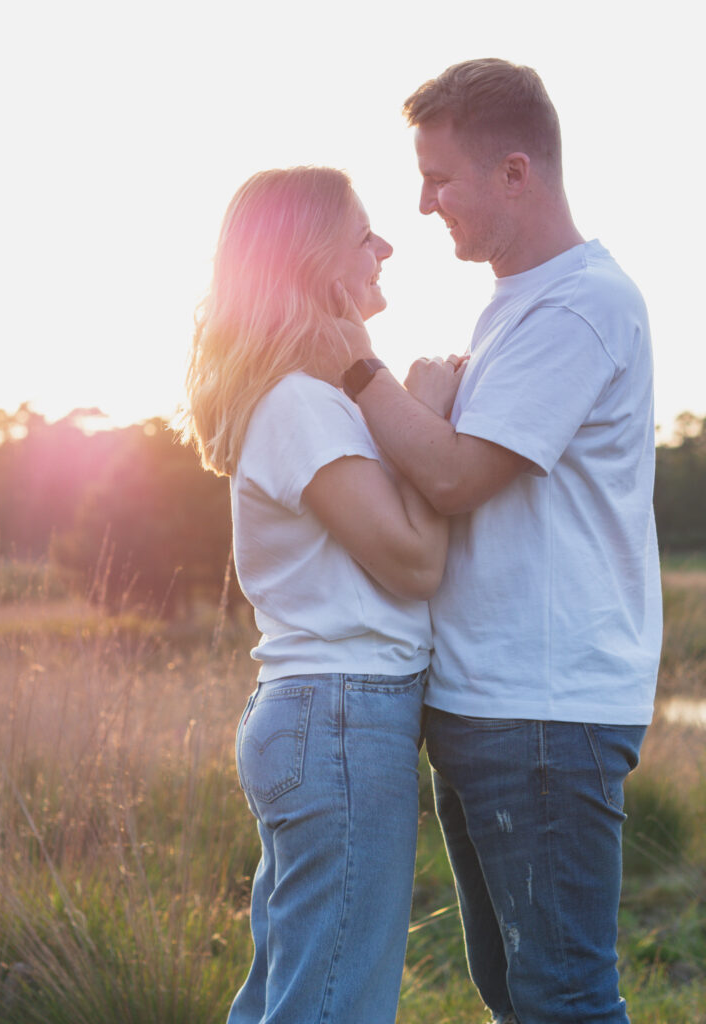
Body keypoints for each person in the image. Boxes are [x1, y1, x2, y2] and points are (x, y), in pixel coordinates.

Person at [335, 59, 662, 1024]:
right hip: (493, 705)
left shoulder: (582, 303)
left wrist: (357, 369)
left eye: (440, 178)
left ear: (515, 172)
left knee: (561, 998)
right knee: (513, 994)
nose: (424, 203)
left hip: (546, 714)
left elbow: (452, 477)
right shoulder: (517, 303)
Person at [179, 166, 459, 1024]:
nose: (384, 247)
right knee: (332, 1004)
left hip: (325, 715)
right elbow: (413, 562)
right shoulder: (300, 406)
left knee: (290, 996)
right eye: (362, 234)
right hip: (341, 718)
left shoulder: (311, 401)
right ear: (311, 262)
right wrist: (428, 415)